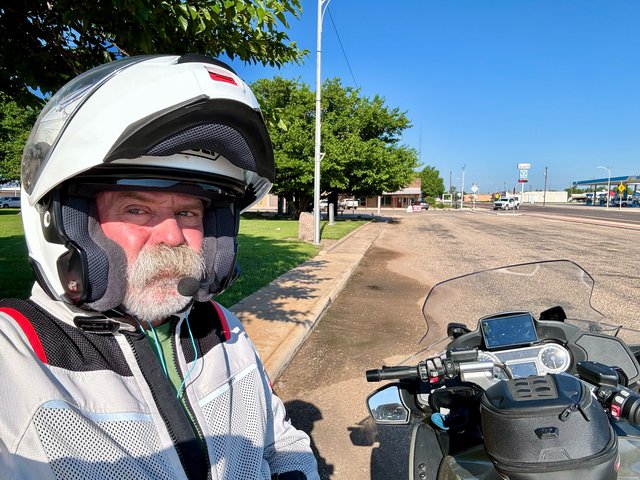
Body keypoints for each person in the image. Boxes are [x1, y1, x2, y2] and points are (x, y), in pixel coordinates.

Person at [0, 54, 319, 480]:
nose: (172, 236)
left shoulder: (222, 328)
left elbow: (281, 443)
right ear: (68, 223)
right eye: (137, 209)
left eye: (189, 213)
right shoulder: (17, 354)